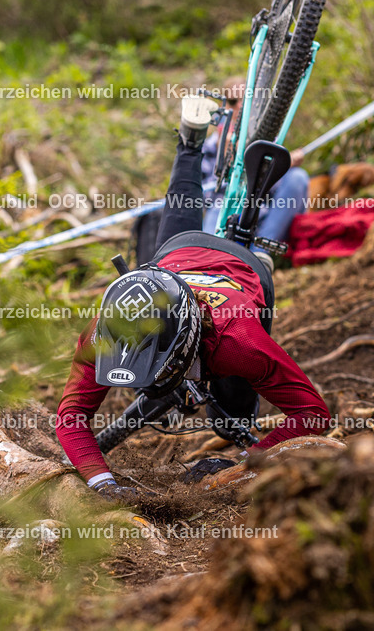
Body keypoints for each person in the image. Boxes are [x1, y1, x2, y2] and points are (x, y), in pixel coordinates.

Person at [55, 97, 331, 501]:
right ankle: (190, 142)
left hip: (242, 272)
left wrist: (246, 463)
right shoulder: (103, 333)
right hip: (176, 257)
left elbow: (313, 414)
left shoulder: (239, 343)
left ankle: (265, 251)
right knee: (177, 220)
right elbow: (71, 417)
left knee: (230, 420)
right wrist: (102, 482)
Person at [200, 79, 310, 268]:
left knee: (297, 177)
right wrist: (226, 161)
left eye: (247, 99)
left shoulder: (269, 141)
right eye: (234, 101)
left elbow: (274, 189)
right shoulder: (210, 146)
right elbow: (204, 196)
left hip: (263, 211)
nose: (241, 106)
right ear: (224, 107)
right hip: (225, 212)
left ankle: (260, 257)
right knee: (214, 217)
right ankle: (216, 264)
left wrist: (283, 165)